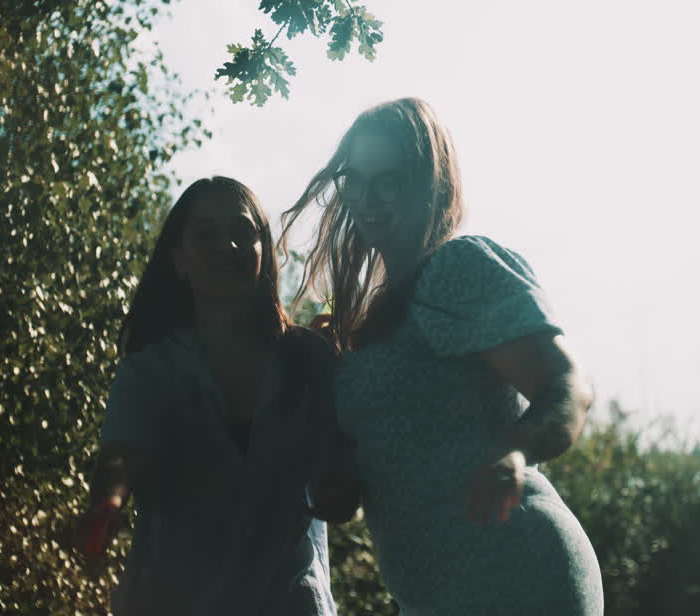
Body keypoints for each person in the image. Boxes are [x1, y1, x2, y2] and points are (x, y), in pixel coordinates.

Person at [282, 98, 604, 615]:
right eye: (356, 179)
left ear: (431, 183)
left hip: (518, 576)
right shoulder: (370, 321)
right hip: (431, 597)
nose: (367, 196)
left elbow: (569, 386)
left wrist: (515, 453)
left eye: (389, 179)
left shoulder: (458, 267)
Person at [73, 176, 340, 616]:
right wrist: (108, 502)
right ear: (178, 260)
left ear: (264, 250)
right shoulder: (150, 370)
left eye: (242, 232)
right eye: (206, 234)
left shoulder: (309, 359)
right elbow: (120, 454)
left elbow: (344, 459)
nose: (228, 246)